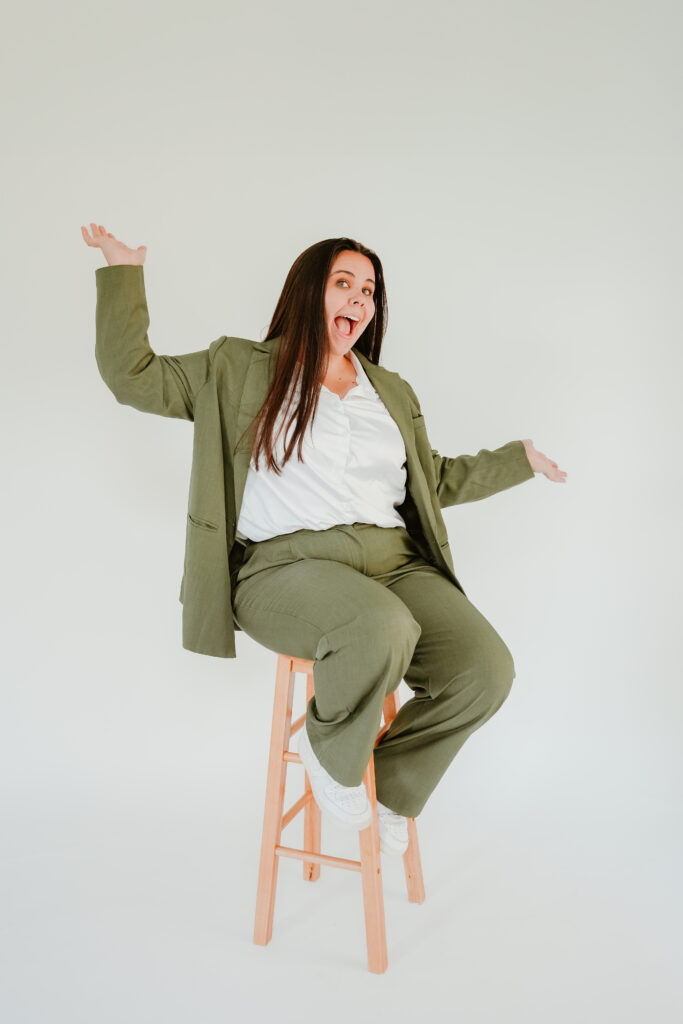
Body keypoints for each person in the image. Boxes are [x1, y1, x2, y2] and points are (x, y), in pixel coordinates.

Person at [83, 223, 567, 856]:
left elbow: (433, 479)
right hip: (287, 567)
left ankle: (393, 785)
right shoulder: (237, 368)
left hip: (394, 562)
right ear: (310, 293)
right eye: (344, 284)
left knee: (485, 668)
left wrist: (518, 460)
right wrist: (124, 273)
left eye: (369, 290)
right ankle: (328, 744)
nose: (359, 300)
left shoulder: (389, 392)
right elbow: (133, 376)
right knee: (380, 628)